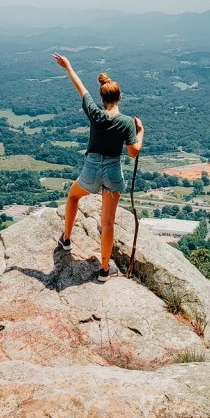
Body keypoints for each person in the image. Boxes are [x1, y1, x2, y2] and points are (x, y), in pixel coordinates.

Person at [52, 53, 144, 281]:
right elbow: (133, 153)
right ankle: (104, 269)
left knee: (73, 197)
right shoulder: (126, 123)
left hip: (91, 169)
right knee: (107, 222)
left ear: (102, 98)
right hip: (113, 171)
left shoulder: (95, 114)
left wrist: (68, 67)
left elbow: (81, 87)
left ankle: (66, 240)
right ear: (120, 97)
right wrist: (140, 131)